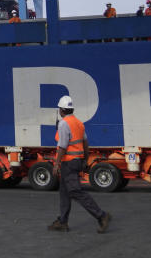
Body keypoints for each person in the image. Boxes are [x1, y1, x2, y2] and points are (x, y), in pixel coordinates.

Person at [48, 96, 112, 233]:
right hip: (76, 161)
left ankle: (102, 216)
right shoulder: (78, 123)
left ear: (61, 110)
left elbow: (63, 146)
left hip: (68, 163)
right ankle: (63, 222)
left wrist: (56, 164)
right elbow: (85, 143)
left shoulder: (64, 124)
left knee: (75, 191)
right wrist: (85, 160)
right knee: (64, 192)